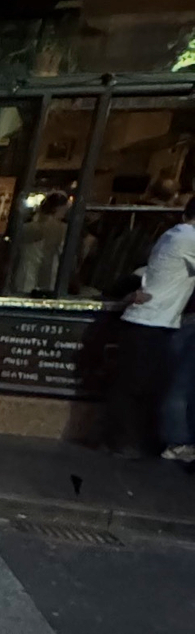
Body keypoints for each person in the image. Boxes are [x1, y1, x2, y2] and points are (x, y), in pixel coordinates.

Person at [110, 194, 195, 457]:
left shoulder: (173, 234)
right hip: (152, 322)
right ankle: (128, 444)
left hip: (150, 320)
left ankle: (129, 443)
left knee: (139, 385)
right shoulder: (188, 238)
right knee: (141, 386)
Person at [12, 189, 69, 294]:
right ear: (59, 208)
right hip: (37, 277)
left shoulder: (30, 226)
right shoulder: (57, 228)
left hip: (27, 276)